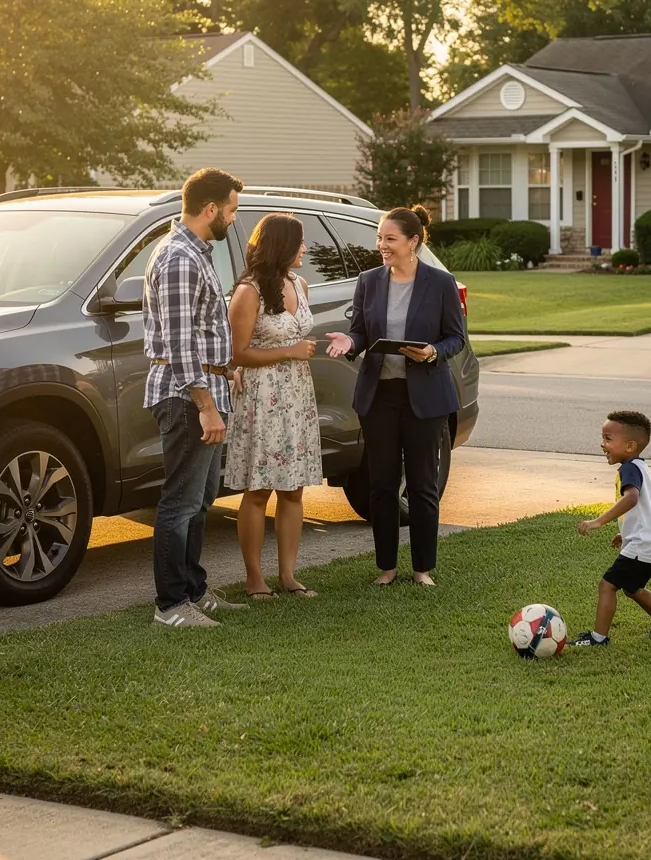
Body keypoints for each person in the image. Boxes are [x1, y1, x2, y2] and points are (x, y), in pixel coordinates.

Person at [325, 205, 465, 586]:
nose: (381, 245)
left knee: (422, 485)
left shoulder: (440, 283)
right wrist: (349, 340)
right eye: (379, 238)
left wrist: (433, 352)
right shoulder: (369, 280)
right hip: (379, 397)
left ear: (413, 242)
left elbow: (456, 337)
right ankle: (386, 568)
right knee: (382, 485)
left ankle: (422, 569)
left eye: (390, 239)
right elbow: (361, 332)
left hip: (426, 398)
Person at [143, 167, 248, 628]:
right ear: (211, 209)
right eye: (232, 209)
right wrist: (206, 405)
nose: (233, 218)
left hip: (208, 387)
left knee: (200, 500)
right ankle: (170, 607)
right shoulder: (181, 258)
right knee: (180, 503)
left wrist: (227, 369)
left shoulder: (196, 252)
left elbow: (203, 330)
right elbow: (181, 343)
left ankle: (194, 591)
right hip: (186, 397)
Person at [223, 213, 323, 600]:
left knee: (293, 488)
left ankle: (288, 576)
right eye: (298, 242)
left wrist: (303, 352)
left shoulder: (300, 284)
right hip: (263, 398)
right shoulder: (249, 291)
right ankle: (254, 579)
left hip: (297, 396)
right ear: (281, 245)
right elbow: (238, 353)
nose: (304, 249)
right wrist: (289, 351)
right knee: (259, 488)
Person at [569, 411, 651, 647]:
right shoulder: (643, 468)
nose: (603, 444)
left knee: (607, 585)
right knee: (633, 588)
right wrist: (626, 531)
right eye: (603, 438)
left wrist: (598, 521)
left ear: (630, 446)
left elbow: (632, 499)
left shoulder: (629, 469)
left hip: (644, 543)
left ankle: (598, 638)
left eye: (608, 439)